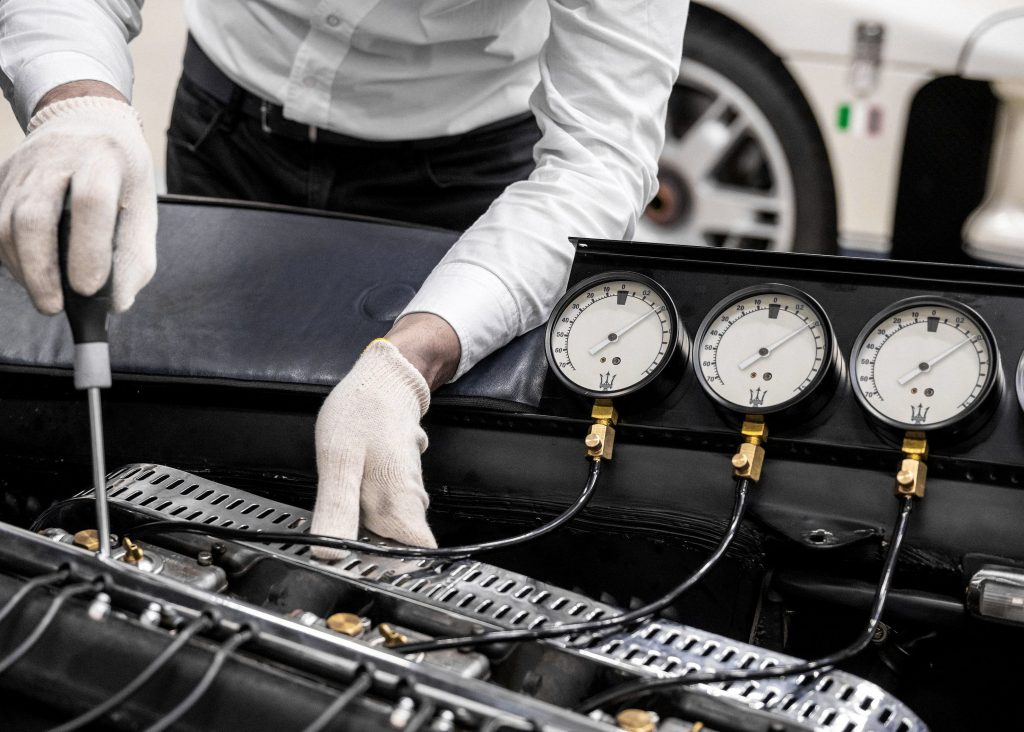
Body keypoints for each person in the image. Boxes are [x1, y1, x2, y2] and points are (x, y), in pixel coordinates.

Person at [0, 1, 688, 552]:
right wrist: (77, 103)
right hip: (227, 120)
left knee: (402, 486)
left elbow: (598, 159)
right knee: (184, 436)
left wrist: (412, 361)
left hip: (465, 184)